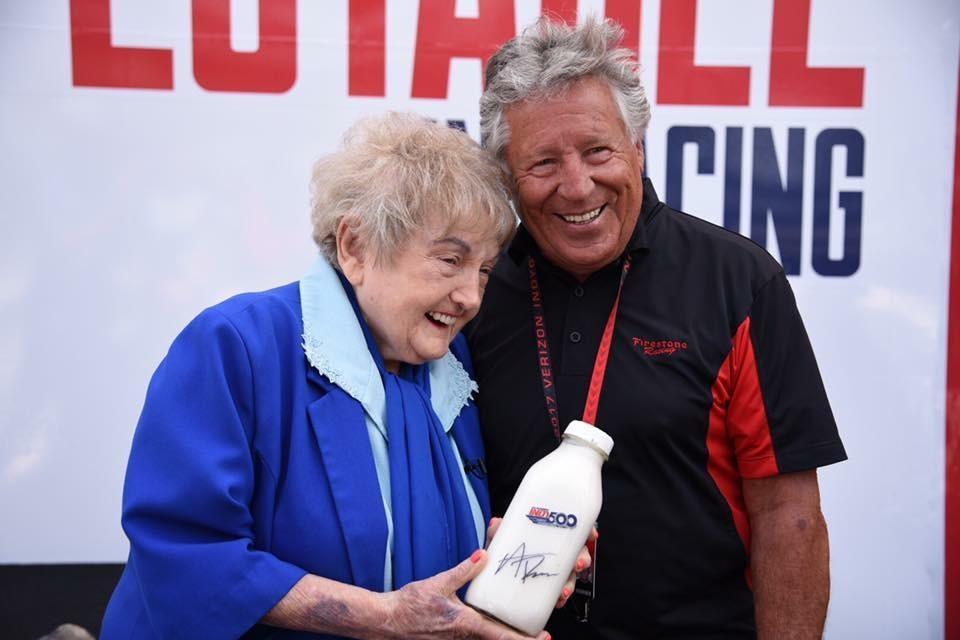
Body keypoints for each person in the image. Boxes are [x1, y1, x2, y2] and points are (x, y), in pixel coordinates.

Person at [101, 112, 580, 639]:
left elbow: (426, 570)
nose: (470, 296)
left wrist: (507, 562)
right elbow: (187, 556)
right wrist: (384, 619)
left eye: (484, 270)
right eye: (450, 260)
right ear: (355, 246)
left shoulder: (452, 366)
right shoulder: (236, 346)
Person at [466, 18, 848, 639]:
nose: (577, 185)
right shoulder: (472, 291)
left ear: (638, 145)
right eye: (542, 162)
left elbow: (788, 513)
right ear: (506, 174)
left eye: (597, 151)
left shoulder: (739, 282)